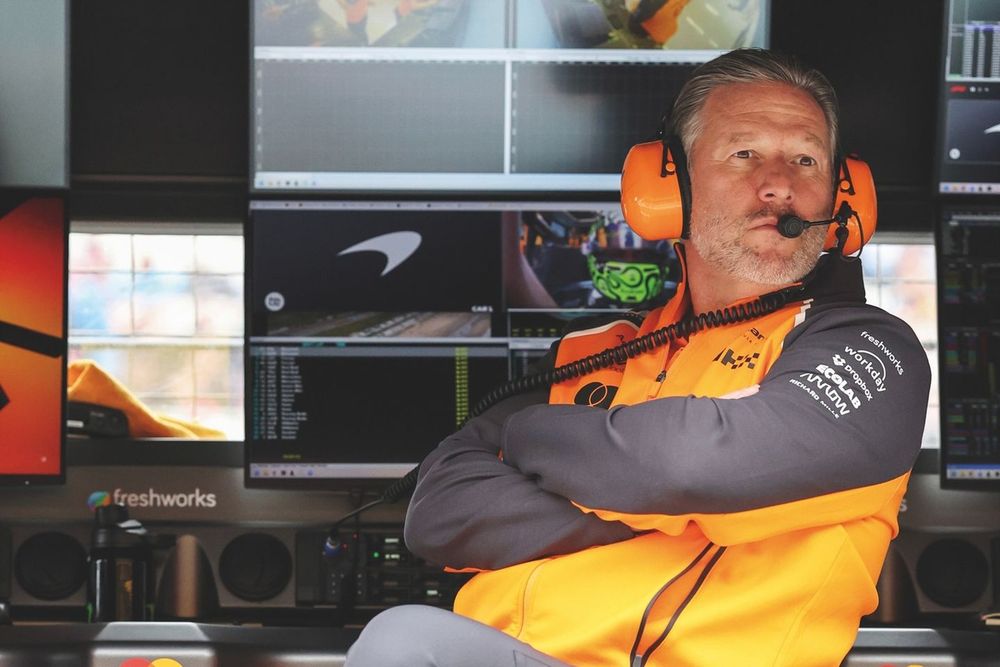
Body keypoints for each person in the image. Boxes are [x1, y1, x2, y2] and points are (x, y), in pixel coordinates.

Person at [345, 48, 932, 667]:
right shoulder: (587, 353)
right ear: (667, 185)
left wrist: (532, 445)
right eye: (744, 154)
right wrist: (682, 506)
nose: (779, 184)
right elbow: (441, 512)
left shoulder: (873, 350)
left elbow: (686, 465)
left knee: (403, 641)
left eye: (806, 158)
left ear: (843, 195)